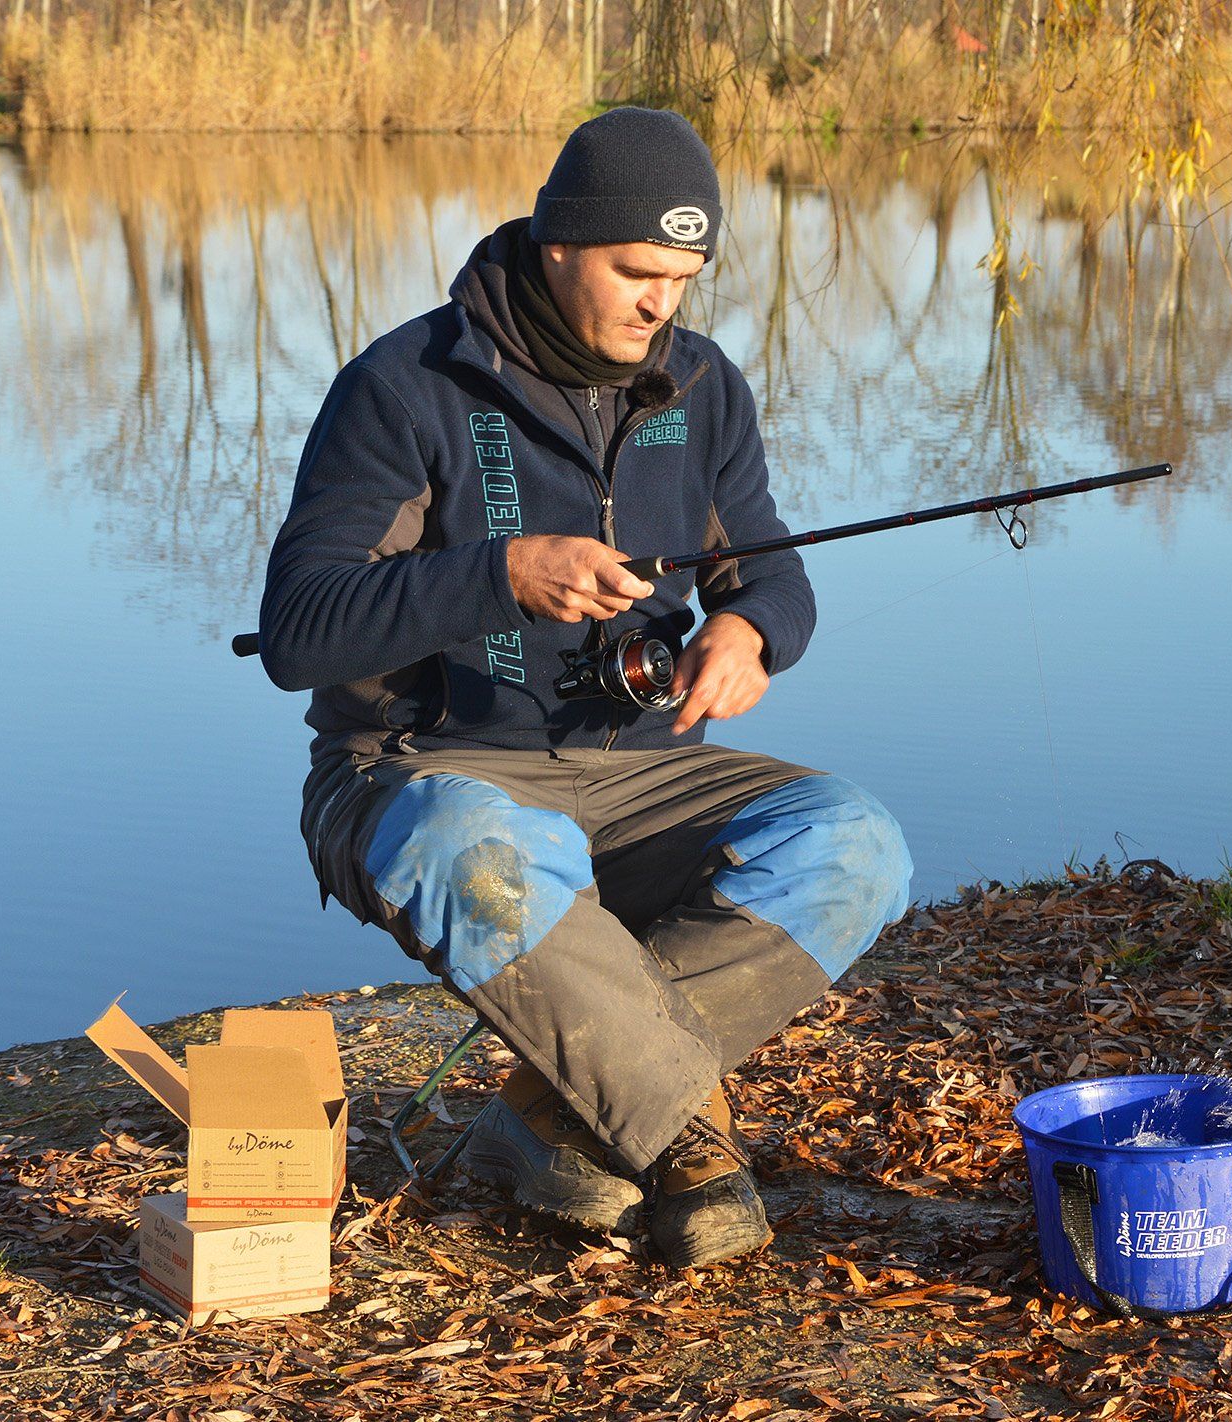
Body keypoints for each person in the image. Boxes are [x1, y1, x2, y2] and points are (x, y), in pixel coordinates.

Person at [256, 107, 913, 1269]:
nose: (661, 303)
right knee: (479, 851)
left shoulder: (702, 388)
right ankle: (684, 1145)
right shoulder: (406, 386)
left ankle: (547, 1113)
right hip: (420, 774)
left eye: (684, 278)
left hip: (650, 771)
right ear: (560, 243)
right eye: (636, 271)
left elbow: (771, 572)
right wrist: (497, 573)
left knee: (854, 843)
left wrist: (754, 634)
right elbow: (301, 629)